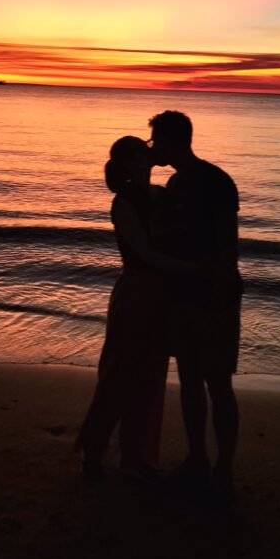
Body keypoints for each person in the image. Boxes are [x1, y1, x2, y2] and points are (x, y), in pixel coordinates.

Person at [75, 135, 203, 479]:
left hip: (162, 292)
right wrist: (191, 270)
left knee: (150, 374)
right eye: (143, 146)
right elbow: (143, 253)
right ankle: (93, 450)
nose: (151, 148)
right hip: (136, 291)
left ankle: (139, 456)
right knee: (120, 370)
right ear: (131, 161)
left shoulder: (161, 195)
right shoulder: (124, 202)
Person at [148, 110, 243, 497]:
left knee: (217, 382)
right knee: (189, 380)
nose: (153, 147)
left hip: (212, 297)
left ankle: (223, 466)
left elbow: (228, 249)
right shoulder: (173, 184)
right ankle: (198, 458)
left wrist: (219, 304)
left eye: (157, 141)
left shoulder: (216, 182)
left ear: (172, 141)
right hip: (181, 296)